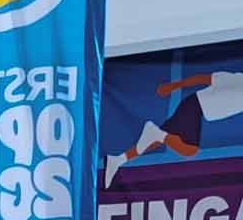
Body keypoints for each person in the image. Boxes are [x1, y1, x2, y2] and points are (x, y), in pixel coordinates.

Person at [104, 70, 243, 186]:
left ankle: (117, 160)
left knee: (153, 141)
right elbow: (203, 78)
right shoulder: (237, 80)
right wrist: (173, 86)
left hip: (197, 109)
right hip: (194, 106)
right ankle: (157, 134)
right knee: (189, 150)